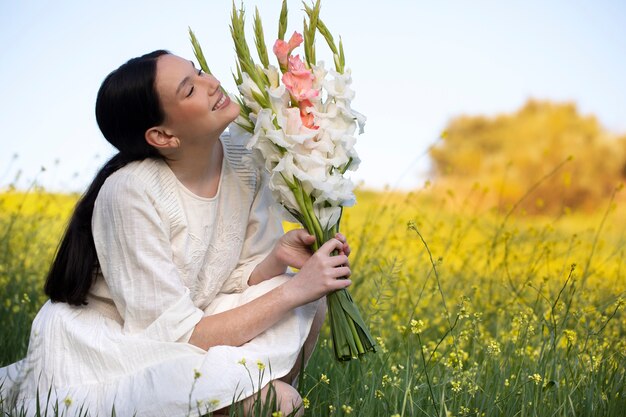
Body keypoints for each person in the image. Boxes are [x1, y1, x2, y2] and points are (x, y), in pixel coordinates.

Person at [0, 50, 352, 417]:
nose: (211, 82)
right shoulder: (130, 191)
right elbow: (172, 336)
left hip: (194, 322)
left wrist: (277, 258)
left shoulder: (244, 159)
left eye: (198, 72)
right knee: (282, 397)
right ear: (163, 135)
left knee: (310, 301)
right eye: (190, 89)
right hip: (117, 347)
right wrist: (295, 289)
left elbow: (231, 281)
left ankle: (247, 395)